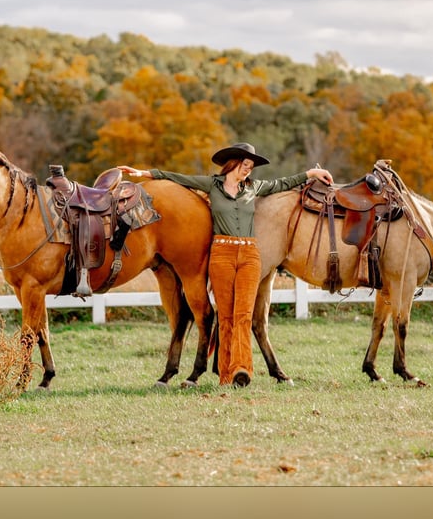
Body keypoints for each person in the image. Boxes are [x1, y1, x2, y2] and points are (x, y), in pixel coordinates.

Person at [118, 143, 333, 388]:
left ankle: (242, 369)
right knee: (227, 315)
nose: (248, 171)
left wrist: (311, 174)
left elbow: (282, 183)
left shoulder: (254, 187)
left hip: (250, 254)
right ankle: (226, 374)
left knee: (243, 314)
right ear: (232, 163)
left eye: (251, 167)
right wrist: (146, 174)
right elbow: (180, 179)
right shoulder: (213, 185)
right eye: (245, 165)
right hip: (222, 253)